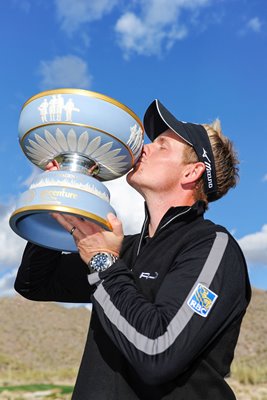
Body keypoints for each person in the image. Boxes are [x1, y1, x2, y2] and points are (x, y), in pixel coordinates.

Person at [14, 99, 251, 400]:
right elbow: (34, 284)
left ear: (191, 173)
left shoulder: (212, 248)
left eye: (162, 145)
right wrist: (63, 195)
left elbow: (158, 352)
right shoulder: (123, 248)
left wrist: (103, 263)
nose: (146, 148)